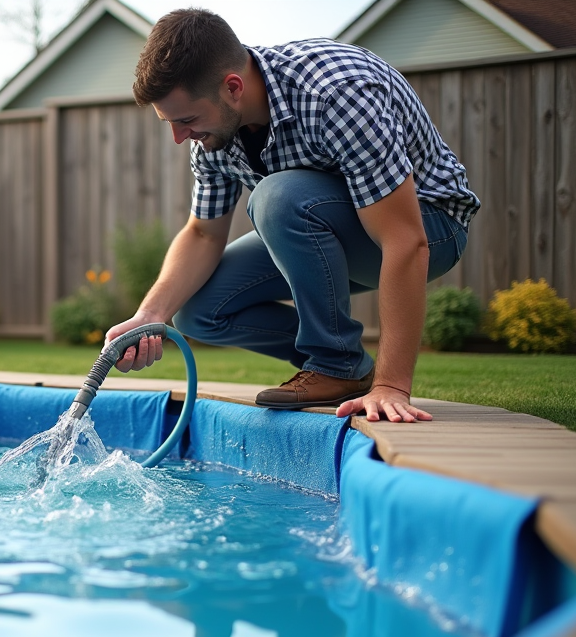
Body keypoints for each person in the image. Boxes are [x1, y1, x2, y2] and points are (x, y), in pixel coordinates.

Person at [106, 10, 477, 424]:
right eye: (170, 123)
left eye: (186, 120)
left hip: (432, 225)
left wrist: (391, 387)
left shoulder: (336, 94)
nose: (179, 137)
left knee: (278, 197)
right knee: (198, 311)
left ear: (232, 88)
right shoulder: (214, 137)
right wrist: (151, 314)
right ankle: (347, 366)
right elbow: (203, 235)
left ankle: (335, 363)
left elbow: (407, 240)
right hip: (332, 228)